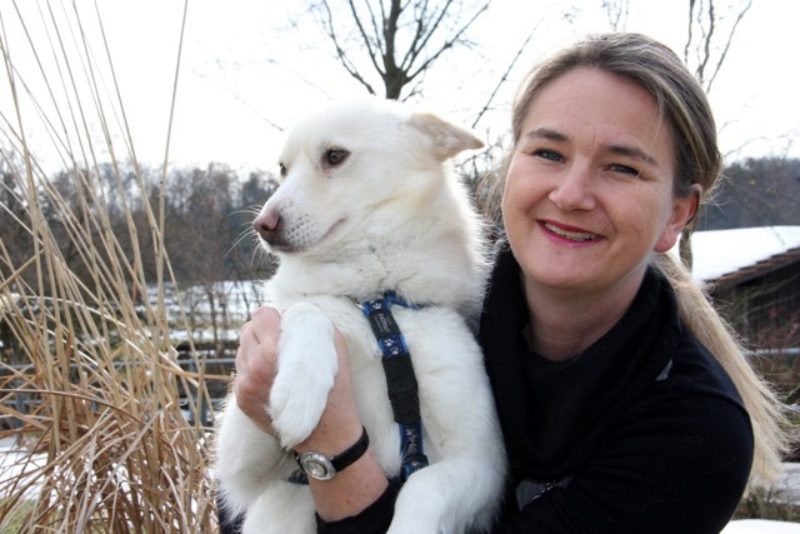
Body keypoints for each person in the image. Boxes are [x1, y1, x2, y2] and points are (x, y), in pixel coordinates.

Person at [225, 33, 787, 533]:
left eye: (622, 167)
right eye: (548, 153)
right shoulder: (418, 291)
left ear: (677, 215)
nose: (571, 194)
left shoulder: (696, 432)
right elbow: (240, 507)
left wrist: (332, 451)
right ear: (509, 165)